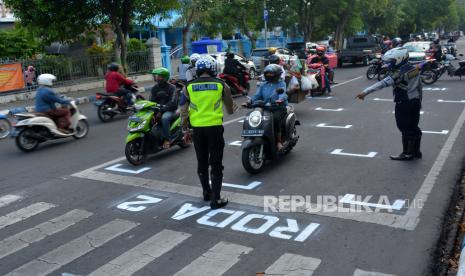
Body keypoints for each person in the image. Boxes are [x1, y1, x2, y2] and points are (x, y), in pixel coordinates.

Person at [180, 57, 235, 209]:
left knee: (202, 161)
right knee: (216, 163)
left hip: (197, 129)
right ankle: (216, 199)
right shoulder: (220, 84)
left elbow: (183, 111)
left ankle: (206, 192)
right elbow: (230, 107)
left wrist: (185, 129)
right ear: (213, 69)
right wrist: (232, 109)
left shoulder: (188, 87)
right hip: (215, 128)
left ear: (197, 70)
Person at [356, 47, 422, 161]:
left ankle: (407, 153)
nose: (388, 63)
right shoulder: (413, 69)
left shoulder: (399, 74)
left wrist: (364, 92)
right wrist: (419, 101)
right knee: (413, 126)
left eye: (391, 61)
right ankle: (416, 151)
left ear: (399, 59)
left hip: (404, 102)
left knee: (404, 127)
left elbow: (382, 83)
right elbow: (419, 86)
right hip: (415, 101)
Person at [249, 64, 288, 150]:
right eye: (267, 73)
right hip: (265, 107)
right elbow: (257, 95)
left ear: (277, 74)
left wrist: (280, 100)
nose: (269, 75)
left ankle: (278, 141)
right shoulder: (263, 84)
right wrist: (249, 101)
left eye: (271, 73)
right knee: (254, 117)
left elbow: (283, 93)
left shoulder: (281, 83)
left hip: (278, 107)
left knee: (275, 119)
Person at [150, 67, 178, 149]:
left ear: (165, 77)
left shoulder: (172, 88)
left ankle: (167, 139)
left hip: (170, 110)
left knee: (165, 118)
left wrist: (161, 111)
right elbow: (151, 101)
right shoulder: (154, 88)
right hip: (158, 109)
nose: (157, 78)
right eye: (157, 76)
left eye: (160, 76)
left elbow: (173, 103)